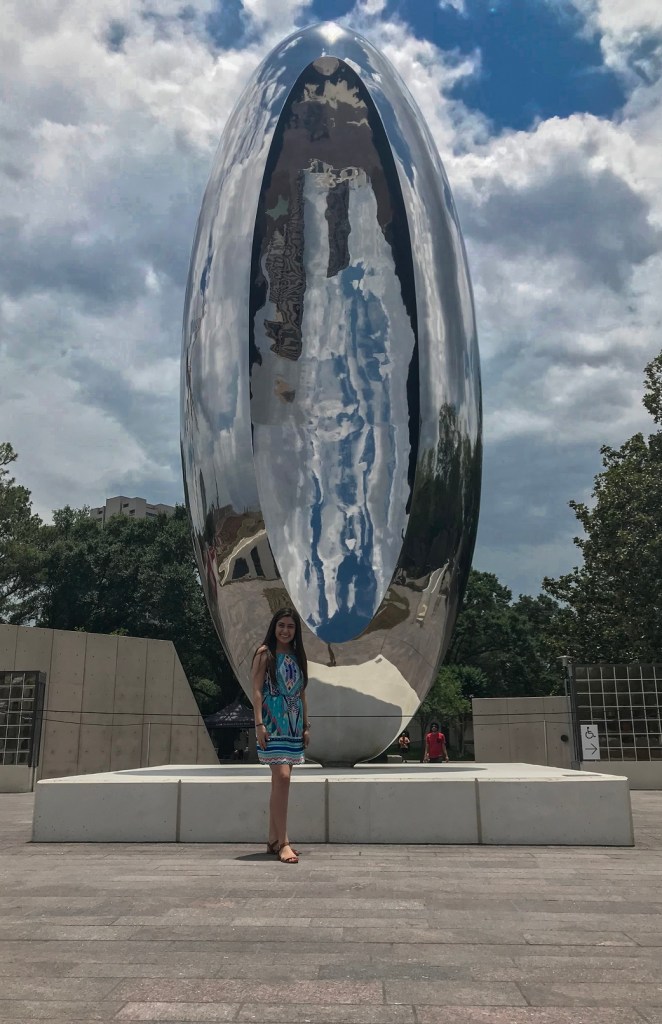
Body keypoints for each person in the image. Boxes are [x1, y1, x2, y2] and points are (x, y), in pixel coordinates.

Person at [251, 606, 310, 864]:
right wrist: (259, 724)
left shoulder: (298, 656)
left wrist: (306, 724)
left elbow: (302, 691)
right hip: (272, 721)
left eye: (290, 626)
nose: (285, 631)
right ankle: (284, 842)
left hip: (294, 721)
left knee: (280, 782)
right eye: (281, 625)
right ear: (274, 627)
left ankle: (273, 838)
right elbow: (255, 690)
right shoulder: (265, 653)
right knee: (282, 777)